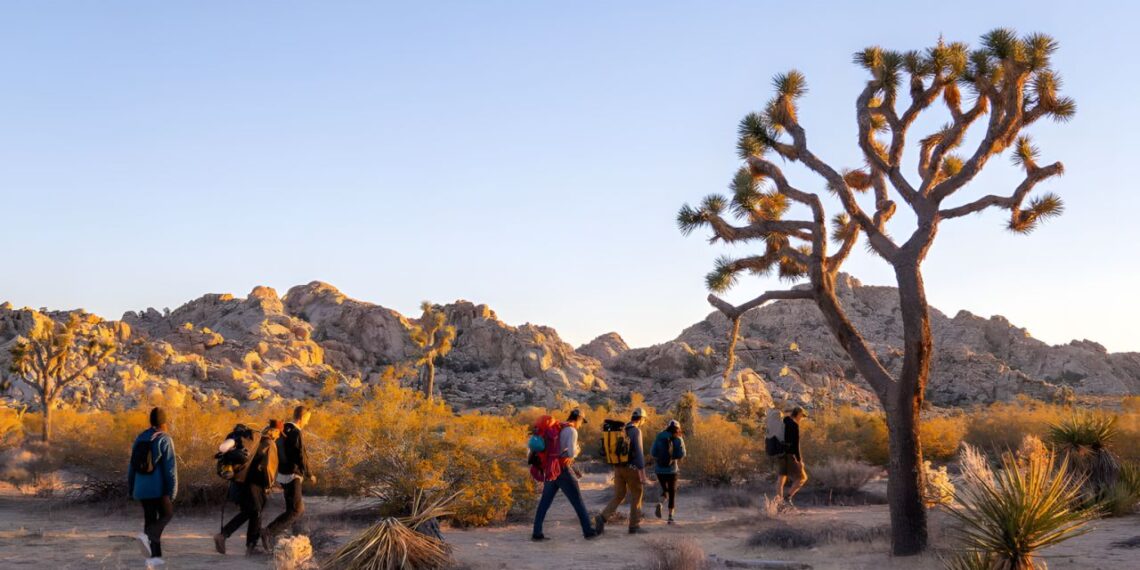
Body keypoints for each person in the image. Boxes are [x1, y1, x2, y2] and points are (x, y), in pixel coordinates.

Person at [531, 408, 602, 541]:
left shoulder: (559, 427)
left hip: (551, 469)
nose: (581, 425)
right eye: (582, 422)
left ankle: (537, 533)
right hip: (563, 470)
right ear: (578, 419)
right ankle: (588, 531)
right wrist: (578, 449)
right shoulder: (571, 431)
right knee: (578, 501)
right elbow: (570, 453)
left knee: (544, 503)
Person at [215, 420, 281, 556]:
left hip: (240, 482)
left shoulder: (254, 440)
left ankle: (236, 540)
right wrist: (270, 485)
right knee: (255, 512)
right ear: (274, 431)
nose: (279, 436)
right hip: (255, 484)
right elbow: (269, 468)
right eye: (279, 433)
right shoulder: (269, 443)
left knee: (250, 512)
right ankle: (246, 544)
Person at [128, 407, 178, 568]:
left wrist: (131, 488)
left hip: (141, 487)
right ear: (164, 422)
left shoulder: (140, 438)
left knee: (150, 519)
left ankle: (154, 558)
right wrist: (172, 491)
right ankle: (147, 536)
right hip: (158, 488)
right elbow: (170, 468)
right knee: (167, 514)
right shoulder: (164, 439)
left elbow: (131, 467)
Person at [265, 406, 315, 542]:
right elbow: (301, 455)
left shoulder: (283, 428)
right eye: (307, 419)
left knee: (292, 508)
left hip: (282, 474)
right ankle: (268, 532)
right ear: (302, 418)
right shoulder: (296, 432)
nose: (307, 422)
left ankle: (296, 535)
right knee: (297, 510)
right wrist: (309, 473)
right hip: (293, 474)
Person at [598, 407, 649, 534]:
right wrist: (642, 473)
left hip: (618, 468)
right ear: (641, 419)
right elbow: (639, 453)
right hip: (631, 469)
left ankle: (602, 517)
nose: (644, 422)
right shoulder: (636, 431)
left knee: (619, 495)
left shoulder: (622, 429)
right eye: (644, 420)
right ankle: (634, 526)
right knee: (637, 495)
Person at [650, 419, 686, 524]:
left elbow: (653, 452)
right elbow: (682, 454)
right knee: (672, 493)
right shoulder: (678, 438)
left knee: (664, 490)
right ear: (678, 428)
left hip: (659, 470)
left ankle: (660, 503)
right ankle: (670, 518)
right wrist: (673, 457)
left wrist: (661, 457)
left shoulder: (659, 436)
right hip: (672, 470)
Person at [776, 407, 809, 507]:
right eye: (801, 416)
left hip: (780, 454)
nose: (801, 419)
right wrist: (799, 461)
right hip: (790, 455)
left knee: (781, 479)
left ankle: (779, 504)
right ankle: (787, 498)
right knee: (802, 478)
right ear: (798, 414)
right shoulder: (794, 425)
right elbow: (796, 445)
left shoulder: (782, 422)